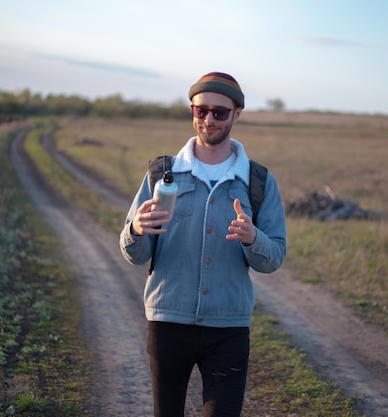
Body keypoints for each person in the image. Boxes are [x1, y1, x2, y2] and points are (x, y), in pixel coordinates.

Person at [119, 72, 287, 417]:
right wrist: (137, 228)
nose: (209, 119)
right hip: (167, 322)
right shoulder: (161, 175)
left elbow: (273, 259)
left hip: (229, 328)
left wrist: (254, 238)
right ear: (192, 111)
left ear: (237, 114)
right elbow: (134, 254)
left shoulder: (258, 182)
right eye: (201, 110)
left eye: (220, 112)